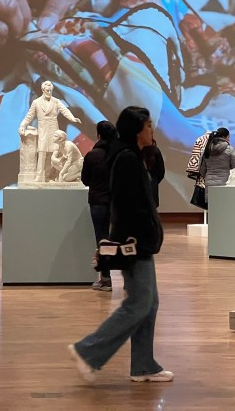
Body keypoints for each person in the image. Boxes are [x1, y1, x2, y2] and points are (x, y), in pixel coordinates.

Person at [69, 106, 171, 384]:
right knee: (139, 304)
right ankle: (88, 350)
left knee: (148, 304)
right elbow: (126, 206)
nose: (153, 130)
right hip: (135, 243)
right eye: (149, 125)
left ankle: (144, 365)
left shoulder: (134, 156)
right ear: (137, 130)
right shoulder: (126, 159)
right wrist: (130, 239)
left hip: (141, 242)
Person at [18, 80, 81, 182]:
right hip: (43, 129)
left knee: (54, 152)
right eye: (47, 90)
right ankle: (39, 176)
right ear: (43, 90)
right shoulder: (36, 102)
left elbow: (64, 110)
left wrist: (72, 118)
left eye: (50, 91)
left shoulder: (56, 101)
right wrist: (22, 125)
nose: (49, 92)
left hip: (53, 129)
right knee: (42, 153)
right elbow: (29, 116)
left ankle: (51, 175)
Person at [81, 120, 118, 291]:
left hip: (97, 201)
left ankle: (105, 278)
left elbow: (85, 180)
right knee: (115, 238)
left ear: (99, 135)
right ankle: (124, 278)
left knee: (101, 238)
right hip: (116, 202)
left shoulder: (92, 155)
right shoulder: (119, 155)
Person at [199, 127, 235, 201]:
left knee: (212, 208)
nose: (229, 139)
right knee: (223, 206)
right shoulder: (230, 149)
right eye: (228, 137)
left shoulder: (207, 149)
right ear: (224, 137)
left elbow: (202, 169)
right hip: (225, 182)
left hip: (209, 183)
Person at [142, 139, 165, 209]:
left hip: (151, 187)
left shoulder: (155, 151)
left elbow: (161, 172)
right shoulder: (131, 152)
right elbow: (161, 172)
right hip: (151, 186)